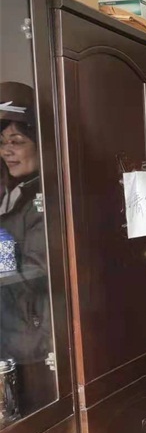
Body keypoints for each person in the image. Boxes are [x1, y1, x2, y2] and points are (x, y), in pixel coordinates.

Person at [0, 82, 51, 415]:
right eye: (3, 142)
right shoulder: (14, 192)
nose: (7, 151)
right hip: (11, 332)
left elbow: (38, 270)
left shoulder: (44, 199)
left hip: (33, 341)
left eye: (17, 141)